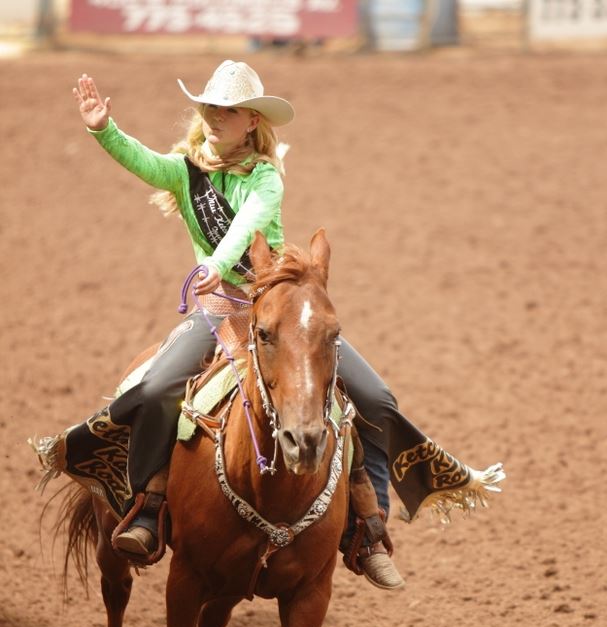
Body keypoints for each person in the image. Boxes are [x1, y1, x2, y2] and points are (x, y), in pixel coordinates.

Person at [31, 60, 504, 592]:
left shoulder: (265, 177)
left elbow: (248, 225)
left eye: (227, 110)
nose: (214, 118)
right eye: (209, 108)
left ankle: (368, 526)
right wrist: (103, 129)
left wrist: (214, 263)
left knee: (375, 399)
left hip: (277, 313)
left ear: (252, 121)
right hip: (218, 315)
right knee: (156, 387)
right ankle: (147, 507)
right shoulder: (184, 170)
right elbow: (140, 160)